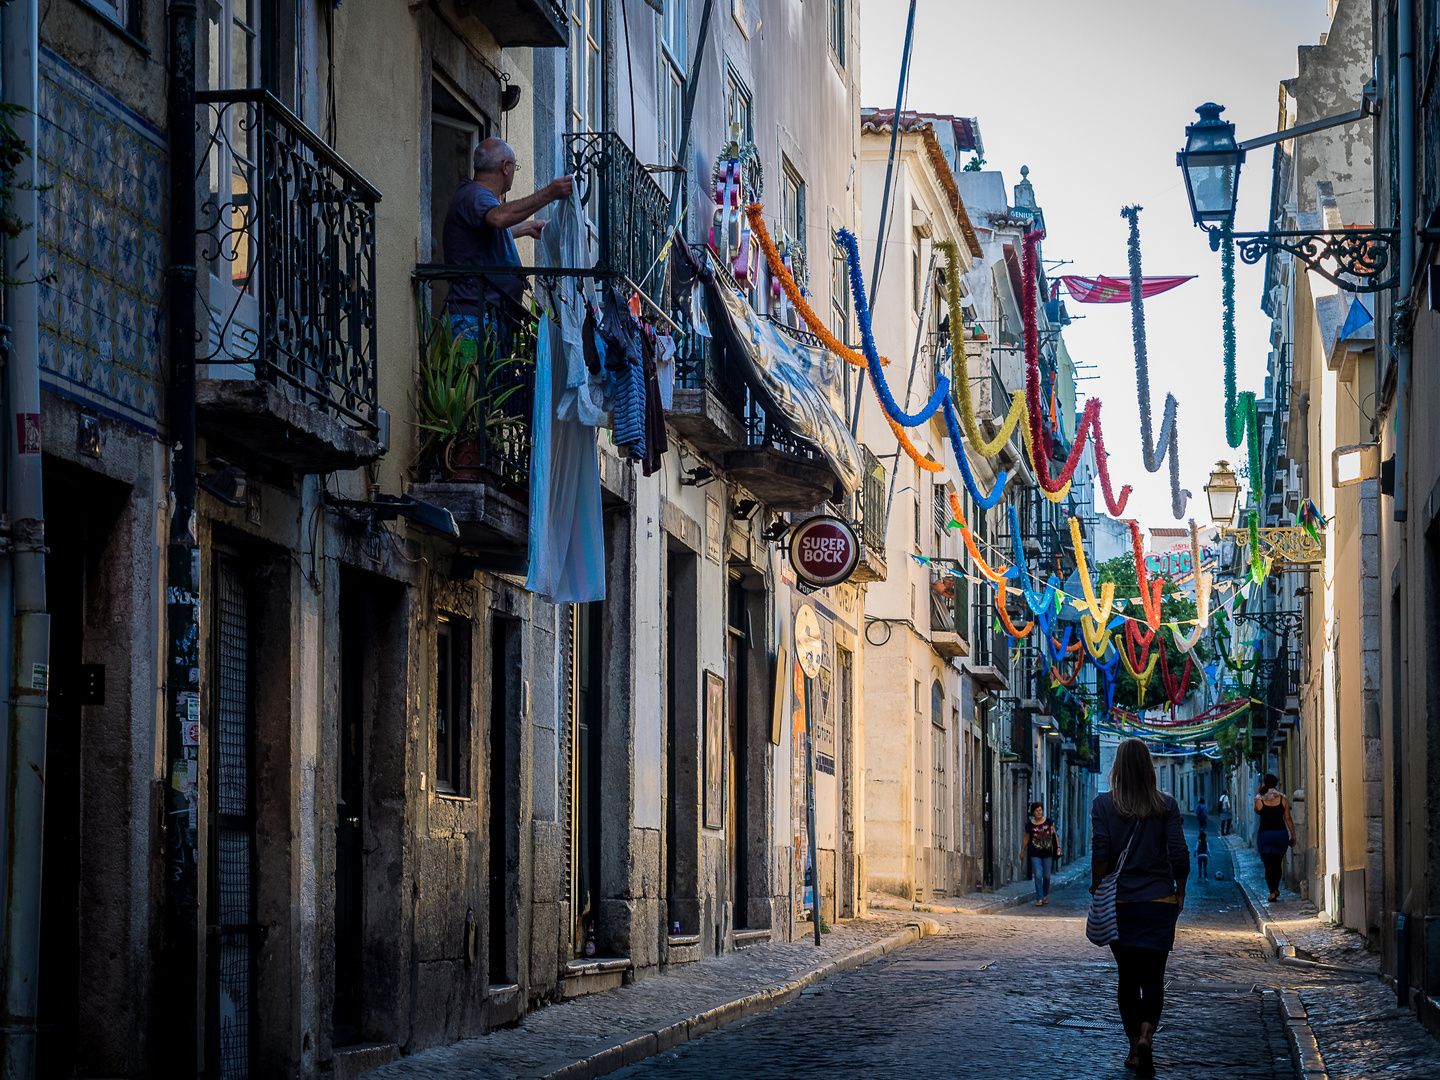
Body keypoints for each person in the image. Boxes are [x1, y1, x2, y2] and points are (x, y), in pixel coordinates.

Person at [1092, 739, 1189, 1079]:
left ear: (1117, 768)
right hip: (1159, 902)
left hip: (1119, 904)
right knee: (1154, 978)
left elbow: (1101, 852)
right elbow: (1178, 852)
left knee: (1127, 979)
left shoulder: (1103, 805)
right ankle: (1148, 1034)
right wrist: (1179, 891)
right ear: (1150, 768)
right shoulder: (1166, 805)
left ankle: (1134, 1048)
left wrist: (1096, 887)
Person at [442, 138, 574, 310]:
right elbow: (499, 218)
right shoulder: (476, 195)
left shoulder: (475, 196)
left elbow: (484, 235)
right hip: (476, 318)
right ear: (505, 167)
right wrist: (549, 193)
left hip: (486, 315)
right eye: (514, 167)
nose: (514, 172)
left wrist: (526, 227)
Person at [1254, 774, 1296, 902]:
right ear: (1276, 784)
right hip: (1280, 835)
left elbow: (1257, 811)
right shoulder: (1283, 799)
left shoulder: (1259, 799)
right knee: (1277, 864)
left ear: (1265, 784)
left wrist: (1259, 794)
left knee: (1268, 865)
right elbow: (1288, 818)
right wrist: (1293, 834)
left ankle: (1272, 892)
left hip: (1264, 835)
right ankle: (1276, 888)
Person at [1020, 801, 1062, 906]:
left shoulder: (1048, 821)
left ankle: (1045, 895)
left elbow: (1055, 835)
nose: (1039, 812)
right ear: (1033, 812)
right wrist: (1022, 851)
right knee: (1038, 874)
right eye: (1037, 811)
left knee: (1047, 876)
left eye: (1040, 810)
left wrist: (1058, 847)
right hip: (1035, 853)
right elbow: (1026, 838)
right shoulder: (1029, 825)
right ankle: (1039, 898)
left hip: (1047, 853)